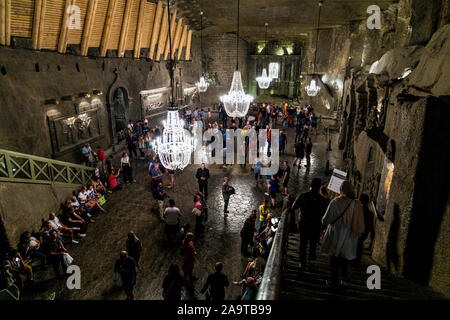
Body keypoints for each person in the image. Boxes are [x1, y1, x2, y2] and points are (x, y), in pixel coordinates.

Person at [321, 181, 365, 288]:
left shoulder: (335, 202)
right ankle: (345, 279)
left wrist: (324, 223)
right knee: (344, 258)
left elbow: (326, 220)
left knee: (334, 258)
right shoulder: (357, 204)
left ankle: (333, 281)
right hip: (349, 235)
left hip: (336, 233)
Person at [292, 178, 326, 269]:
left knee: (303, 242)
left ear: (310, 185)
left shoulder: (302, 196)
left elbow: (294, 207)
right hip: (316, 224)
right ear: (319, 187)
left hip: (303, 223)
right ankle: (311, 259)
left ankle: (302, 261)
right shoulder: (322, 199)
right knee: (313, 242)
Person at [356, 194, 375, 261]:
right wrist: (372, 233)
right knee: (360, 243)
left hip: (357, 230)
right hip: (365, 231)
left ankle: (354, 257)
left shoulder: (357, 211)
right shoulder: (370, 213)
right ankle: (358, 258)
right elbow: (371, 225)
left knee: (356, 243)